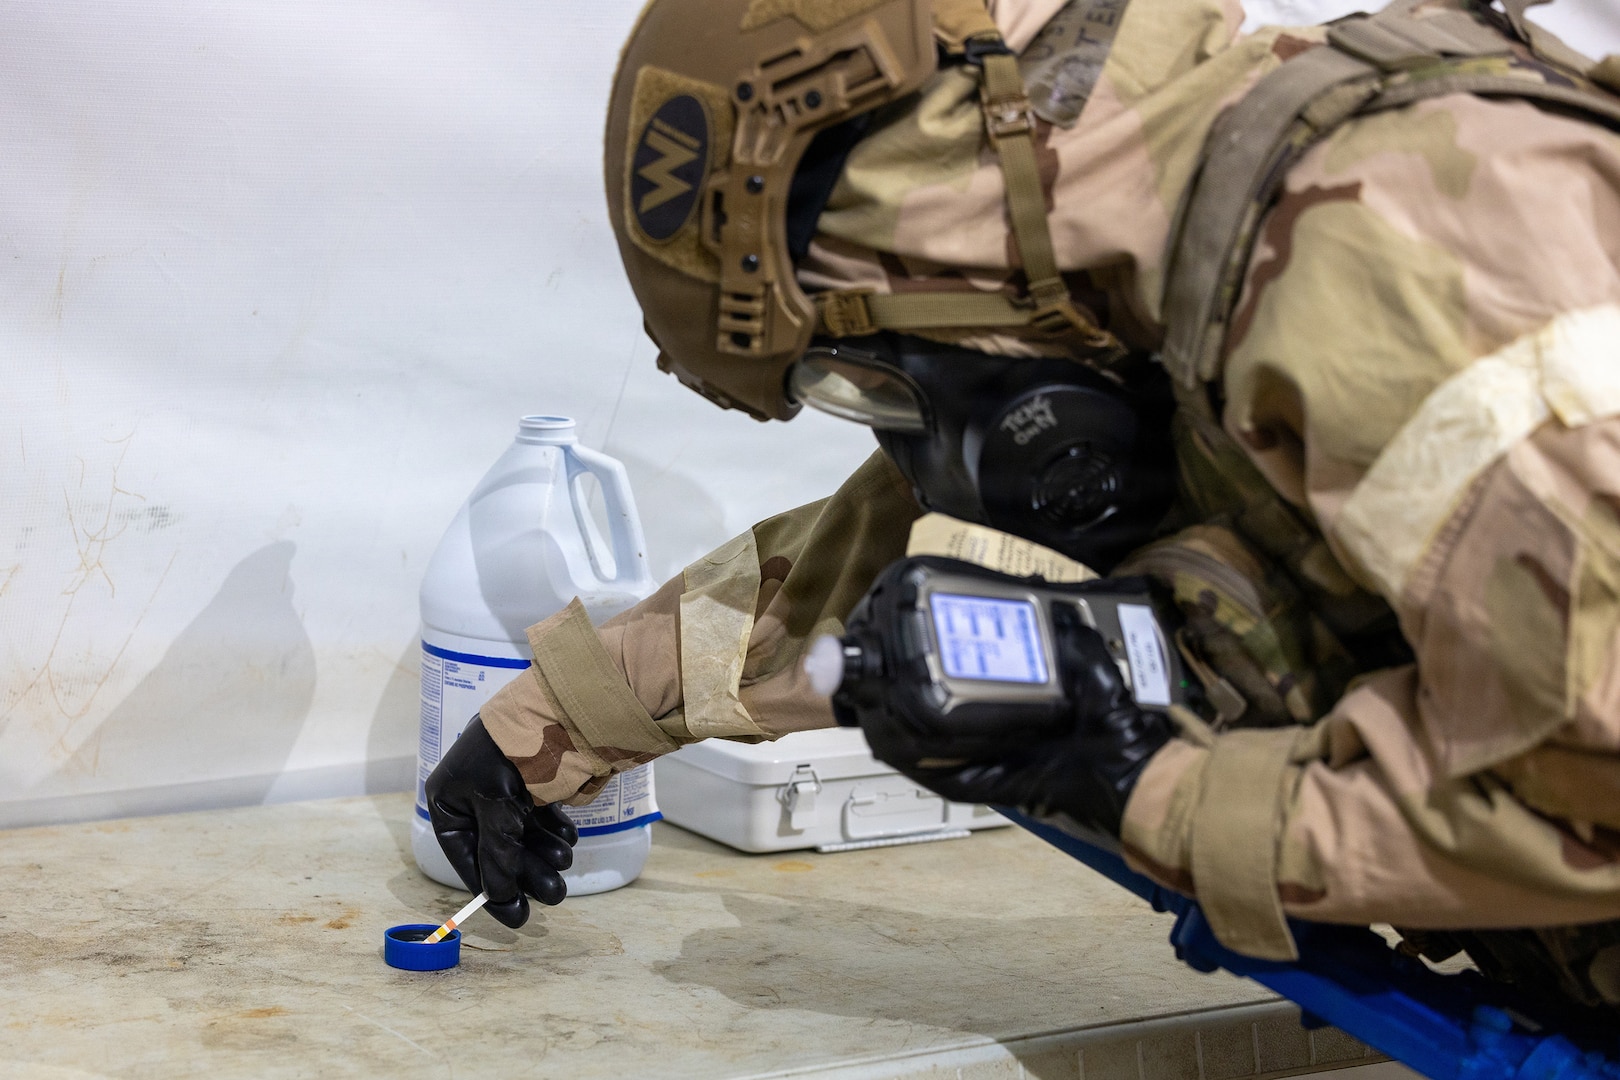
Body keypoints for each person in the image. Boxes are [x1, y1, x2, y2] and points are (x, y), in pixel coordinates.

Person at [426, 0, 1620, 1013]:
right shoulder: (1178, 249)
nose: (920, 447)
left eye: (872, 373)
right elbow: (888, 550)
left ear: (971, 215)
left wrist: (1142, 786)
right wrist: (557, 720)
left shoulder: (1398, 255)